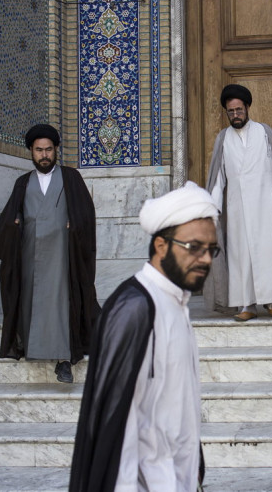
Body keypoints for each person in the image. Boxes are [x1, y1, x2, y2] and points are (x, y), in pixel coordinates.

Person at [70, 181, 219, 491]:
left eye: (211, 249)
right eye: (194, 247)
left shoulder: (176, 303)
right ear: (161, 246)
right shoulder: (136, 308)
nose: (205, 259)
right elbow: (115, 427)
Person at [0, 124, 98, 384]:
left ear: (57, 150)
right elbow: (10, 218)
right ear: (31, 152)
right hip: (30, 256)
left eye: (49, 149)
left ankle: (64, 360)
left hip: (62, 256)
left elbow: (86, 214)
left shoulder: (71, 178)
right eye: (39, 150)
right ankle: (32, 348)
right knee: (31, 302)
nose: (44, 155)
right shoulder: (22, 183)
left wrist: (75, 226)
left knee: (61, 304)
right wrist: (14, 226)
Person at [204, 83, 272, 322]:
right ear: (226, 113)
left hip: (264, 204)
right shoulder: (223, 138)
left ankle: (271, 301)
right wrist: (212, 208)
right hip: (236, 210)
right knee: (240, 257)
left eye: (239, 110)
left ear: (247, 108)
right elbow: (218, 177)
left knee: (266, 253)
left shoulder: (264, 132)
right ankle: (246, 305)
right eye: (231, 111)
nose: (235, 115)